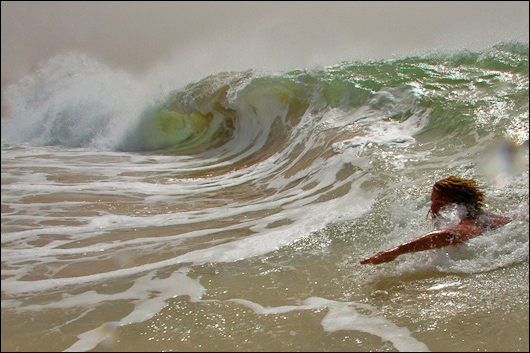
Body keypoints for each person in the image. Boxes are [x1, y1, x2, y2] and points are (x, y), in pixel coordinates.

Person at [360, 176, 511, 265]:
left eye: (437, 203)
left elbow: (450, 236)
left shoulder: (473, 221)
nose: (432, 209)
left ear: (454, 204)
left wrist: (398, 251)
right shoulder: (483, 216)